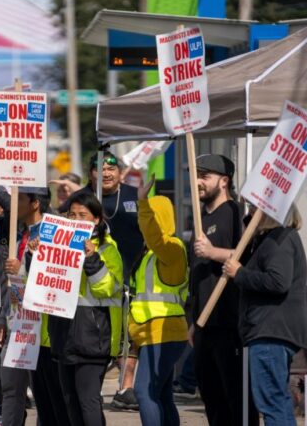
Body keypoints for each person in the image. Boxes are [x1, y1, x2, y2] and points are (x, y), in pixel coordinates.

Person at [66, 151, 144, 410]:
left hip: (132, 273)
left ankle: (127, 386)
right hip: (94, 277)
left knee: (130, 334)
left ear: (121, 172)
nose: (106, 172)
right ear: (91, 173)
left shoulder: (135, 196)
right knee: (107, 336)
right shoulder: (83, 199)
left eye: (112, 167)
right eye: (100, 168)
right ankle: (98, 387)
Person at [223, 204, 307, 426]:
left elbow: (278, 281)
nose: (250, 213)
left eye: (255, 209)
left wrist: (239, 273)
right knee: (276, 400)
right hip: (271, 330)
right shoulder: (273, 239)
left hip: (270, 330)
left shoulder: (278, 239)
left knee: (272, 402)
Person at [188, 154, 257, 425]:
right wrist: (193, 319)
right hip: (204, 324)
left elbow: (249, 257)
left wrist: (213, 252)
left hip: (230, 324)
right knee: (212, 399)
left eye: (204, 176)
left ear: (224, 181)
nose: (197, 182)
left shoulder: (236, 213)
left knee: (236, 398)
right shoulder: (199, 216)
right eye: (195, 176)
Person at [47, 192, 123, 426]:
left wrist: (91, 257)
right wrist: (35, 255)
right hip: (64, 335)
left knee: (87, 401)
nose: (77, 220)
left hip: (93, 338)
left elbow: (106, 289)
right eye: (72, 215)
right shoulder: (57, 246)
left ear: (97, 220)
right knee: (70, 401)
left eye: (84, 215)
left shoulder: (108, 250)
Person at [0, 188, 68, 426]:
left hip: (44, 329)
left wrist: (23, 270)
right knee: (10, 387)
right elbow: (15, 285)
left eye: (20, 200)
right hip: (19, 323)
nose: (15, 206)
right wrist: (5, 318)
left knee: (46, 393)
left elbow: (55, 280)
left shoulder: (53, 233)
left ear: (35, 203)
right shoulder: (20, 234)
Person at [130, 174, 188, 426]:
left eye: (149, 218)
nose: (142, 224)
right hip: (153, 334)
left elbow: (155, 235)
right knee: (162, 396)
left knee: (144, 392)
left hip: (164, 332)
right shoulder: (152, 254)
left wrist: (143, 204)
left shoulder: (171, 248)